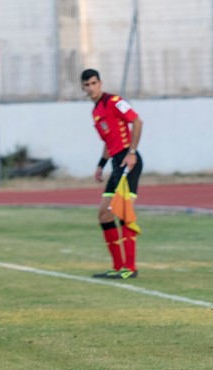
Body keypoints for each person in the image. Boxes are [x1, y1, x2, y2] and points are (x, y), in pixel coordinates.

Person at [81, 68, 143, 280]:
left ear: (100, 83)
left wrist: (132, 153)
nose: (91, 88)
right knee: (104, 214)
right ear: (83, 88)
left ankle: (130, 268)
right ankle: (117, 267)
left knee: (124, 212)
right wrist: (101, 165)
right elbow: (109, 143)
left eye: (94, 83)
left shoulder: (114, 101)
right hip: (116, 163)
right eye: (87, 85)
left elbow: (137, 121)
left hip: (128, 160)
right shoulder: (96, 111)